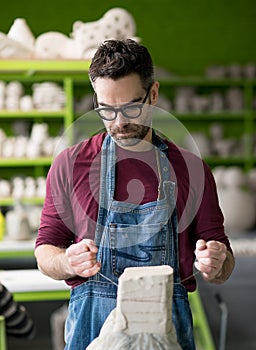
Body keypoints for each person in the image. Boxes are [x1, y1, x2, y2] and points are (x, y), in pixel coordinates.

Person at [35, 39, 235, 350]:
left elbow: (223, 261)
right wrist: (68, 262)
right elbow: (45, 250)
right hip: (92, 328)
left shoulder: (191, 169)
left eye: (131, 107)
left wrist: (216, 261)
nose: (119, 122)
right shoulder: (70, 164)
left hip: (165, 331)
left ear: (153, 94)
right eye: (106, 109)